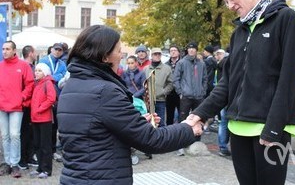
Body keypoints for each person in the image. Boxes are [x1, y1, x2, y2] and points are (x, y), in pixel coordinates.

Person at [186, 0, 295, 184]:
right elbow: (227, 83)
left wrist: (273, 128)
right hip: (238, 127)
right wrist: (200, 113)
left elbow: (290, 80)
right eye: (225, 1)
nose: (230, 5)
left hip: (270, 128)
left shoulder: (286, 19)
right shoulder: (240, 32)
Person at [57, 25, 202, 184]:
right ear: (105, 57)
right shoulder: (105, 91)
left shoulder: (71, 86)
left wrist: (135, 123)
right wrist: (188, 128)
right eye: (119, 51)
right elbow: (152, 140)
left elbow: (95, 133)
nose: (122, 57)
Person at [0, 41, 34, 178]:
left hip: (16, 107)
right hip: (2, 106)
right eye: (3, 49)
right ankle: (7, 163)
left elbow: (30, 84)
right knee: (4, 136)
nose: (4, 52)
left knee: (14, 135)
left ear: (14, 51)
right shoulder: (0, 66)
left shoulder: (23, 65)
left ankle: (14, 164)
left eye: (7, 49)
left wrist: (21, 97)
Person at [173, 41, 207, 156]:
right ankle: (181, 144)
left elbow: (205, 79)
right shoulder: (182, 63)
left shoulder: (201, 64)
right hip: (186, 96)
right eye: (190, 48)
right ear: (187, 50)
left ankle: (196, 143)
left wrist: (203, 91)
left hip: (198, 96)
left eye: (194, 48)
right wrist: (180, 92)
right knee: (183, 119)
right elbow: (176, 79)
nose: (192, 50)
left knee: (199, 119)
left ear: (197, 50)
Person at [39, 42, 67, 162]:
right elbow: (43, 77)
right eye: (56, 49)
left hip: (58, 98)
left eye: (60, 50)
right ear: (51, 49)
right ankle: (43, 151)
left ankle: (53, 150)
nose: (57, 52)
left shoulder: (62, 63)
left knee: (55, 126)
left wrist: (52, 76)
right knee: (45, 126)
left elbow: (64, 77)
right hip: (45, 97)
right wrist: (57, 76)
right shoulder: (44, 61)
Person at [30, 63, 56, 179]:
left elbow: (51, 98)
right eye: (36, 70)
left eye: (39, 71)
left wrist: (40, 109)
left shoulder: (47, 83)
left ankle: (47, 169)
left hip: (44, 119)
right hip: (35, 119)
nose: (36, 72)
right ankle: (40, 167)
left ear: (45, 72)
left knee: (45, 145)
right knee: (37, 144)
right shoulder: (37, 84)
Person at [18, 45, 38, 170]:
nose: (36, 54)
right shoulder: (22, 67)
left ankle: (29, 156)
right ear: (30, 53)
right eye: (35, 52)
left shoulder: (33, 67)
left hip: (32, 105)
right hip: (24, 104)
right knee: (23, 132)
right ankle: (22, 159)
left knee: (30, 132)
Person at [144, 48, 173, 127]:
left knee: (160, 123)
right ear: (151, 56)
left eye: (159, 54)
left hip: (160, 100)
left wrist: (163, 92)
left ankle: (162, 139)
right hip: (148, 101)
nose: (157, 56)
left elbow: (170, 83)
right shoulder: (146, 69)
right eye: (155, 54)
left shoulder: (167, 68)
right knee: (148, 123)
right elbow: (143, 83)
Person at [214, 48, 231, 156]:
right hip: (231, 97)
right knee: (228, 123)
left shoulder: (221, 64)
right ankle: (227, 147)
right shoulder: (231, 62)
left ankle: (223, 146)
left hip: (223, 96)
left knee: (223, 123)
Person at [165, 45, 181, 125]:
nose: (173, 52)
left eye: (175, 50)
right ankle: (169, 134)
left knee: (181, 115)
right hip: (169, 93)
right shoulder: (166, 64)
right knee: (169, 116)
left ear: (178, 52)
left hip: (180, 92)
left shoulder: (182, 63)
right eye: (171, 50)